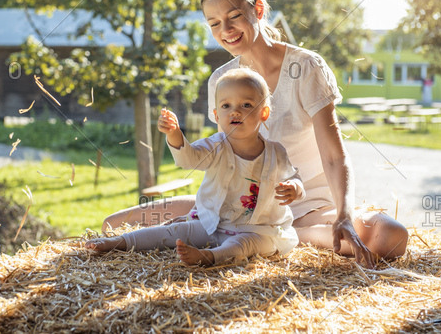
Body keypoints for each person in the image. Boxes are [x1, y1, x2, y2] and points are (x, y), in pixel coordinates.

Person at [103, 0, 408, 268]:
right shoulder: (221, 80)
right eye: (214, 23)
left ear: (258, 9)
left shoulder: (306, 67)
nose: (226, 29)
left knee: (389, 237)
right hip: (241, 207)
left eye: (233, 16)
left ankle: (289, 235)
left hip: (310, 205)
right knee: (113, 224)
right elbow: (224, 154)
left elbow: (333, 154)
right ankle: (267, 234)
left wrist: (343, 214)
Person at [86, 68, 304, 266]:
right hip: (213, 225)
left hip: (259, 231)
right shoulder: (216, 146)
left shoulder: (276, 152)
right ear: (217, 115)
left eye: (246, 105)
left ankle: (210, 257)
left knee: (243, 245)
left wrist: (295, 188)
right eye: (226, 106)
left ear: (263, 113)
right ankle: (121, 241)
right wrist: (175, 134)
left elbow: (295, 176)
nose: (235, 112)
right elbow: (188, 159)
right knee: (171, 231)